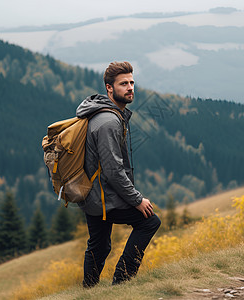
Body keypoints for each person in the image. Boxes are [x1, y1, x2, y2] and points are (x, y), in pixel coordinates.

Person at [76, 61, 161, 287]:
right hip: (103, 198)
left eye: (132, 82)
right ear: (109, 88)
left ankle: (89, 290)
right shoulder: (108, 121)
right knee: (149, 221)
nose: (130, 87)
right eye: (124, 83)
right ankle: (122, 282)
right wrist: (136, 200)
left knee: (99, 245)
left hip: (92, 195)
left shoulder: (104, 114)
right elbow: (114, 170)